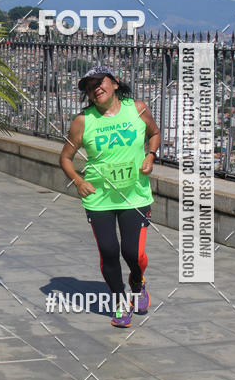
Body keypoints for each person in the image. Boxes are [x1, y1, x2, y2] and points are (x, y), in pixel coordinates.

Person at [59, 66, 161, 328]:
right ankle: (119, 302)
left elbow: (154, 133)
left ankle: (137, 282)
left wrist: (151, 156)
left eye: (99, 83)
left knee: (133, 253)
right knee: (108, 250)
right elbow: (65, 158)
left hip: (134, 195)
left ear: (115, 83)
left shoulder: (137, 109)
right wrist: (78, 181)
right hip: (99, 198)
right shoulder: (83, 121)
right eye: (89, 87)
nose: (95, 89)